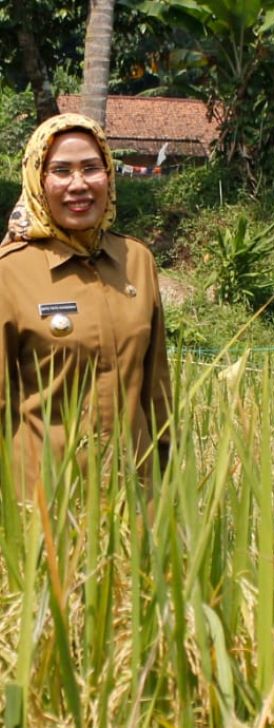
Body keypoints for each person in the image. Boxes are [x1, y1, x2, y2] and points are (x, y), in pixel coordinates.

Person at [0, 113, 172, 498]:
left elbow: (156, 388)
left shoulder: (137, 261)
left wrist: (168, 482)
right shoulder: (9, 273)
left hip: (135, 497)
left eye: (91, 168)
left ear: (108, 175)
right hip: (46, 506)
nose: (79, 185)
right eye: (61, 170)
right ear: (38, 181)